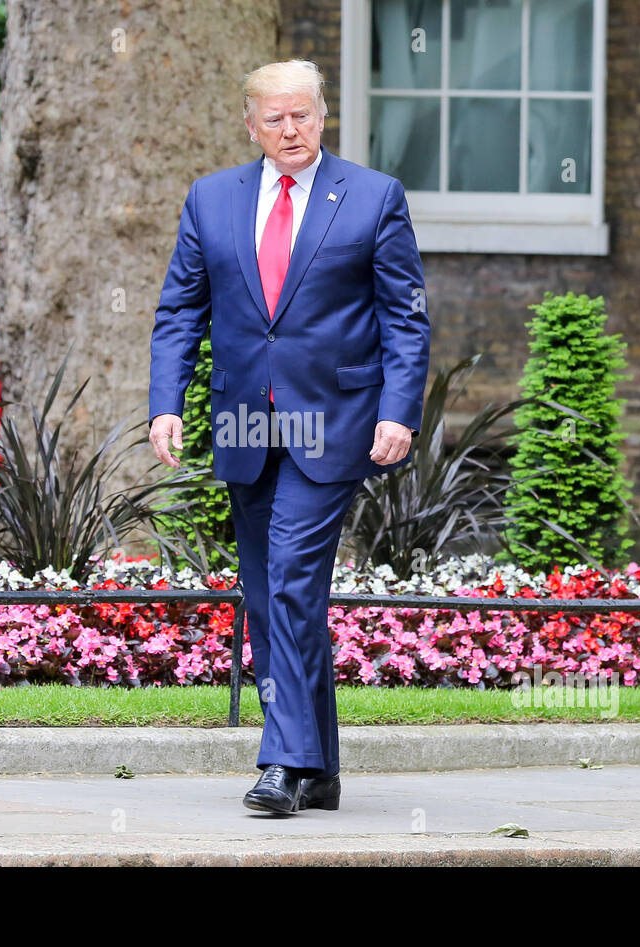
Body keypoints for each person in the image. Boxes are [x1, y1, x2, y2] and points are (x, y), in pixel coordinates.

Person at [148, 59, 430, 813]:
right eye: (275, 118)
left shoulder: (373, 198)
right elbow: (181, 310)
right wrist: (165, 401)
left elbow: (404, 316)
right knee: (269, 592)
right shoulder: (212, 199)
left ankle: (283, 763)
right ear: (251, 125)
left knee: (292, 578)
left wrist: (398, 410)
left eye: (302, 114)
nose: (290, 129)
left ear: (323, 115)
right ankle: (323, 771)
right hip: (245, 423)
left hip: (334, 424)